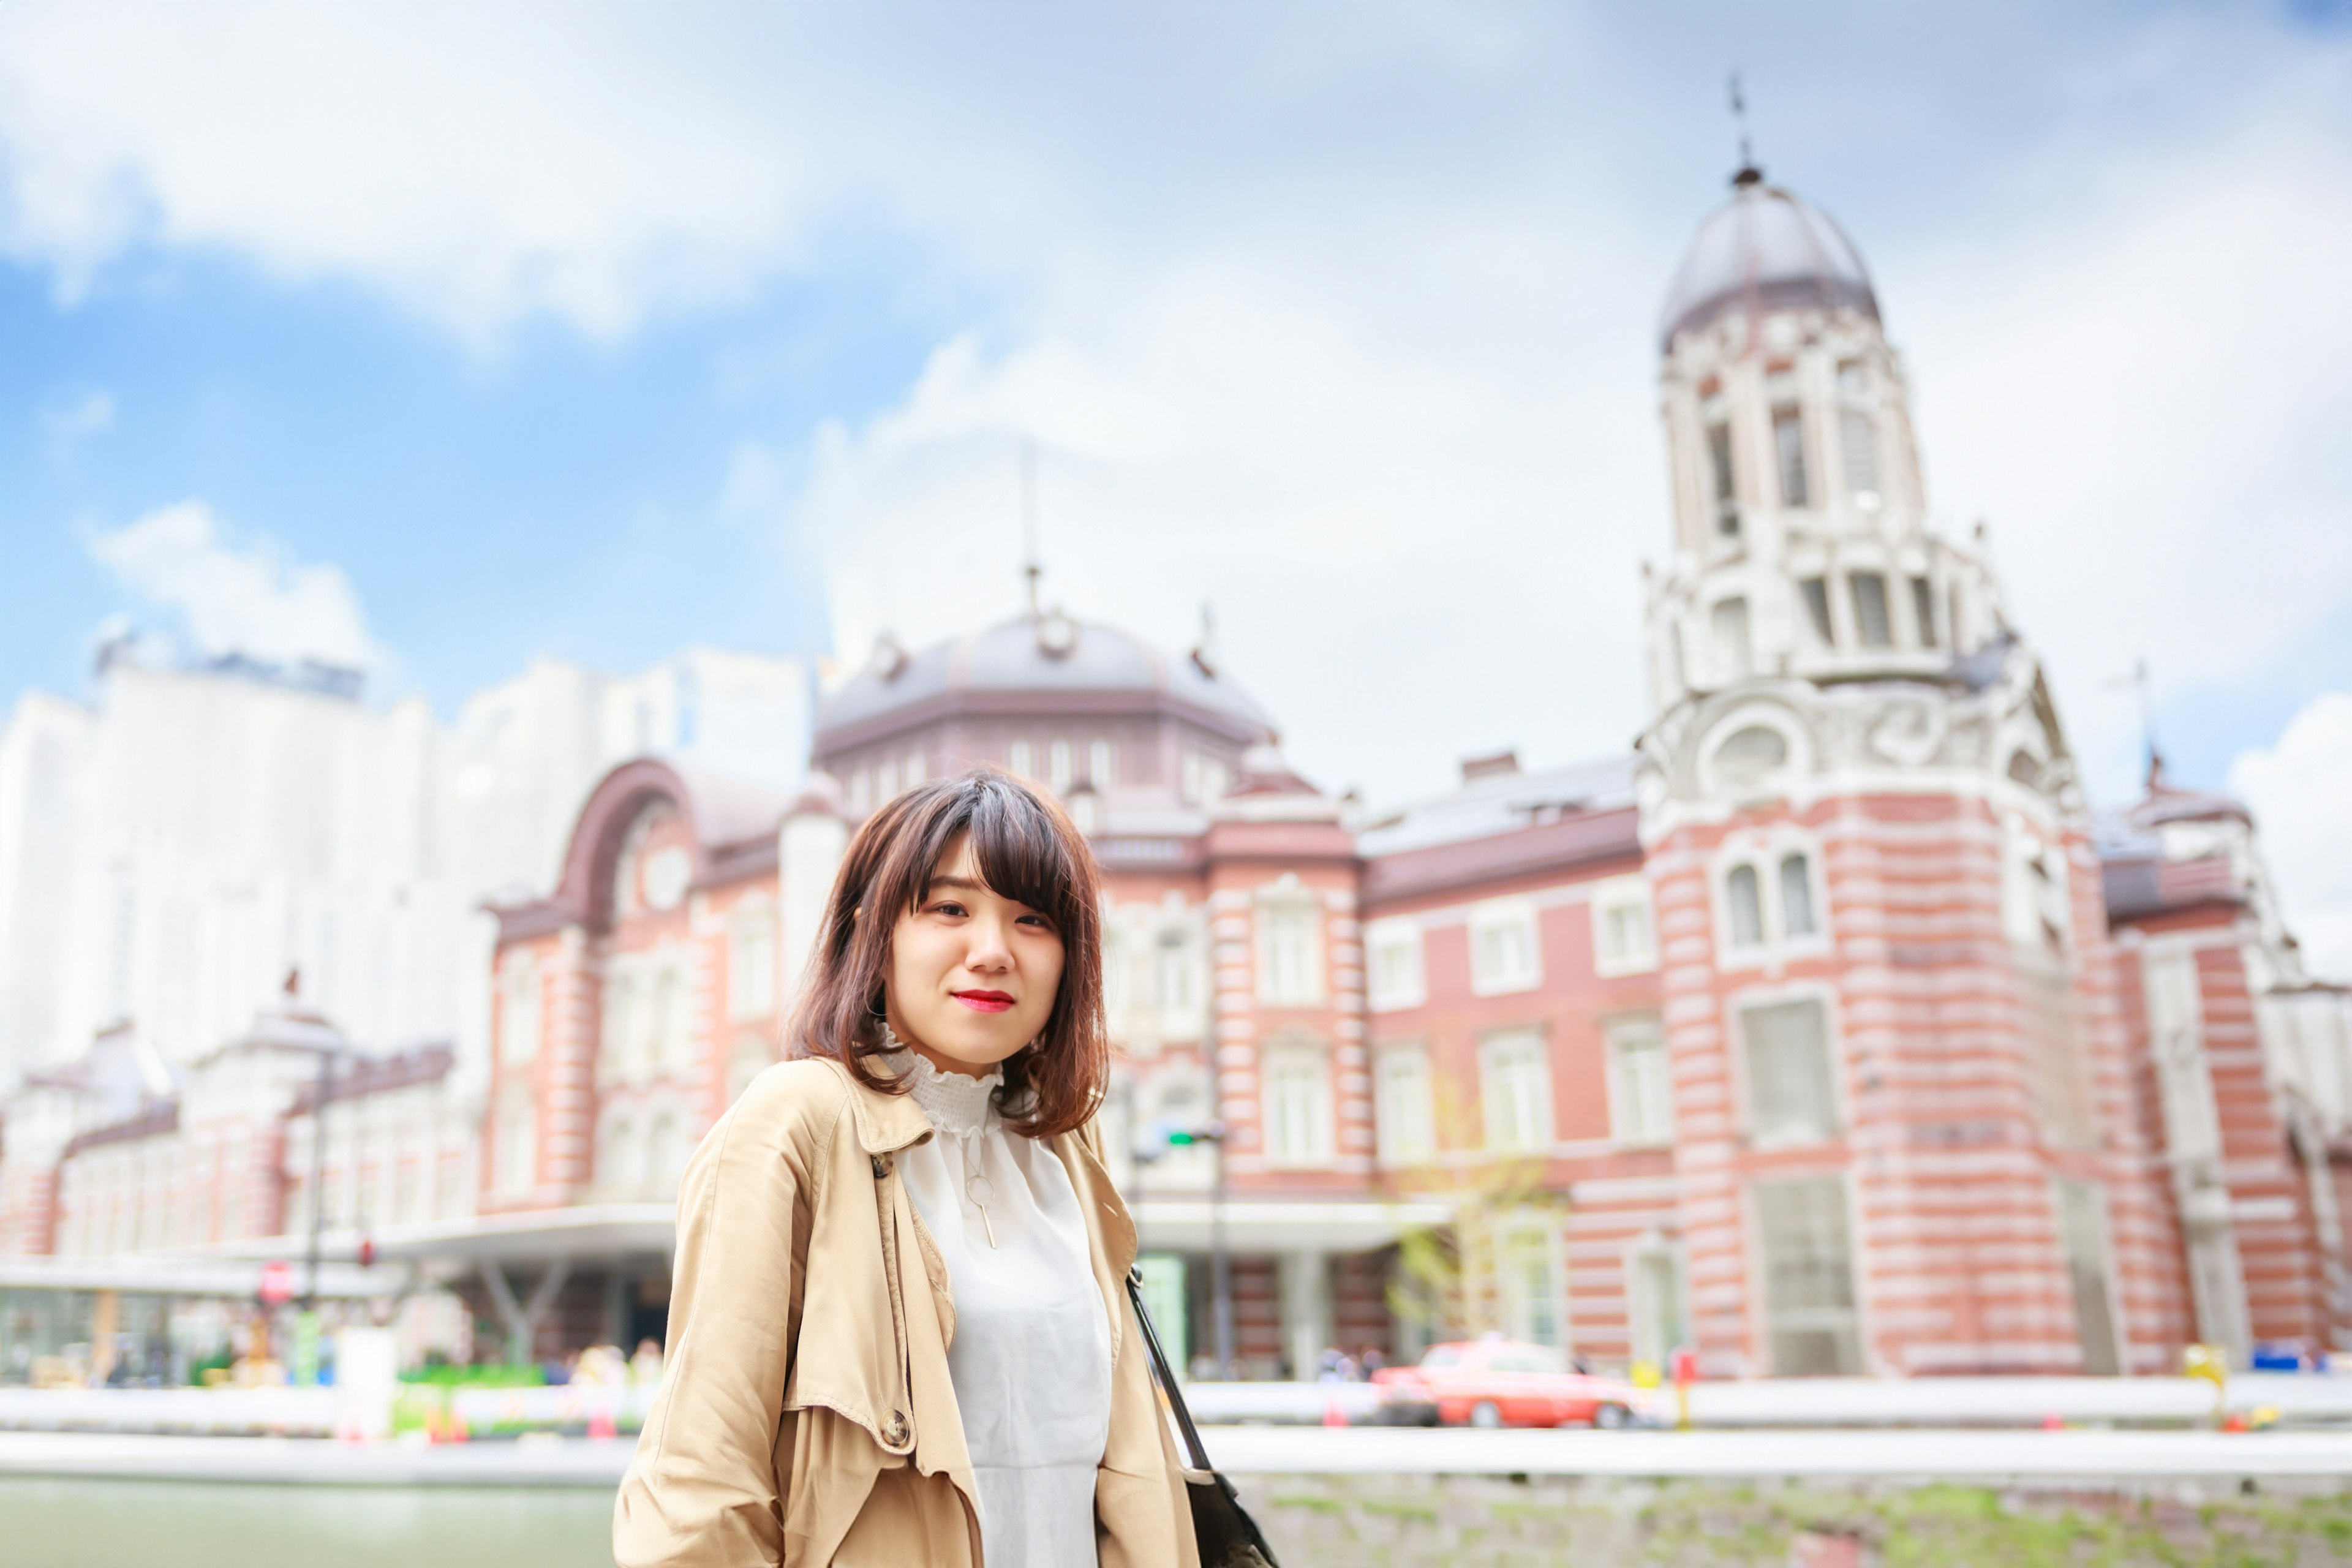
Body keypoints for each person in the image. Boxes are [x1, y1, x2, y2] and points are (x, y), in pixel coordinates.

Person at [613, 769, 1197, 1568]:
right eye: (949, 909)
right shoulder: (795, 1125)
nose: (992, 953)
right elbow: (696, 1490)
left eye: (1032, 919)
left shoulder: (1066, 1150)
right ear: (873, 933)